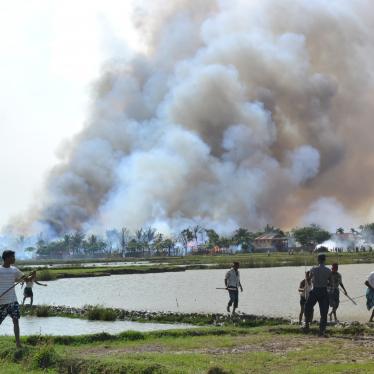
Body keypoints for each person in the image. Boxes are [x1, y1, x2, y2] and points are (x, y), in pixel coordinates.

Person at [0, 250, 27, 348]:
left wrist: (30, 277)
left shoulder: (14, 270)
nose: (14, 259)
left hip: (12, 301)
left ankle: (18, 343)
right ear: (6, 258)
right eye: (12, 257)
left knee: (16, 320)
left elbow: (25, 278)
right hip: (1, 302)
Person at [303, 253, 332, 337]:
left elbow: (308, 280)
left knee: (307, 306)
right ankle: (322, 330)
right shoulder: (328, 270)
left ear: (318, 260)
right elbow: (330, 283)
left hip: (315, 290)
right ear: (324, 260)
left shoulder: (313, 269)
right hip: (323, 291)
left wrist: (307, 276)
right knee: (324, 312)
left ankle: (306, 324)